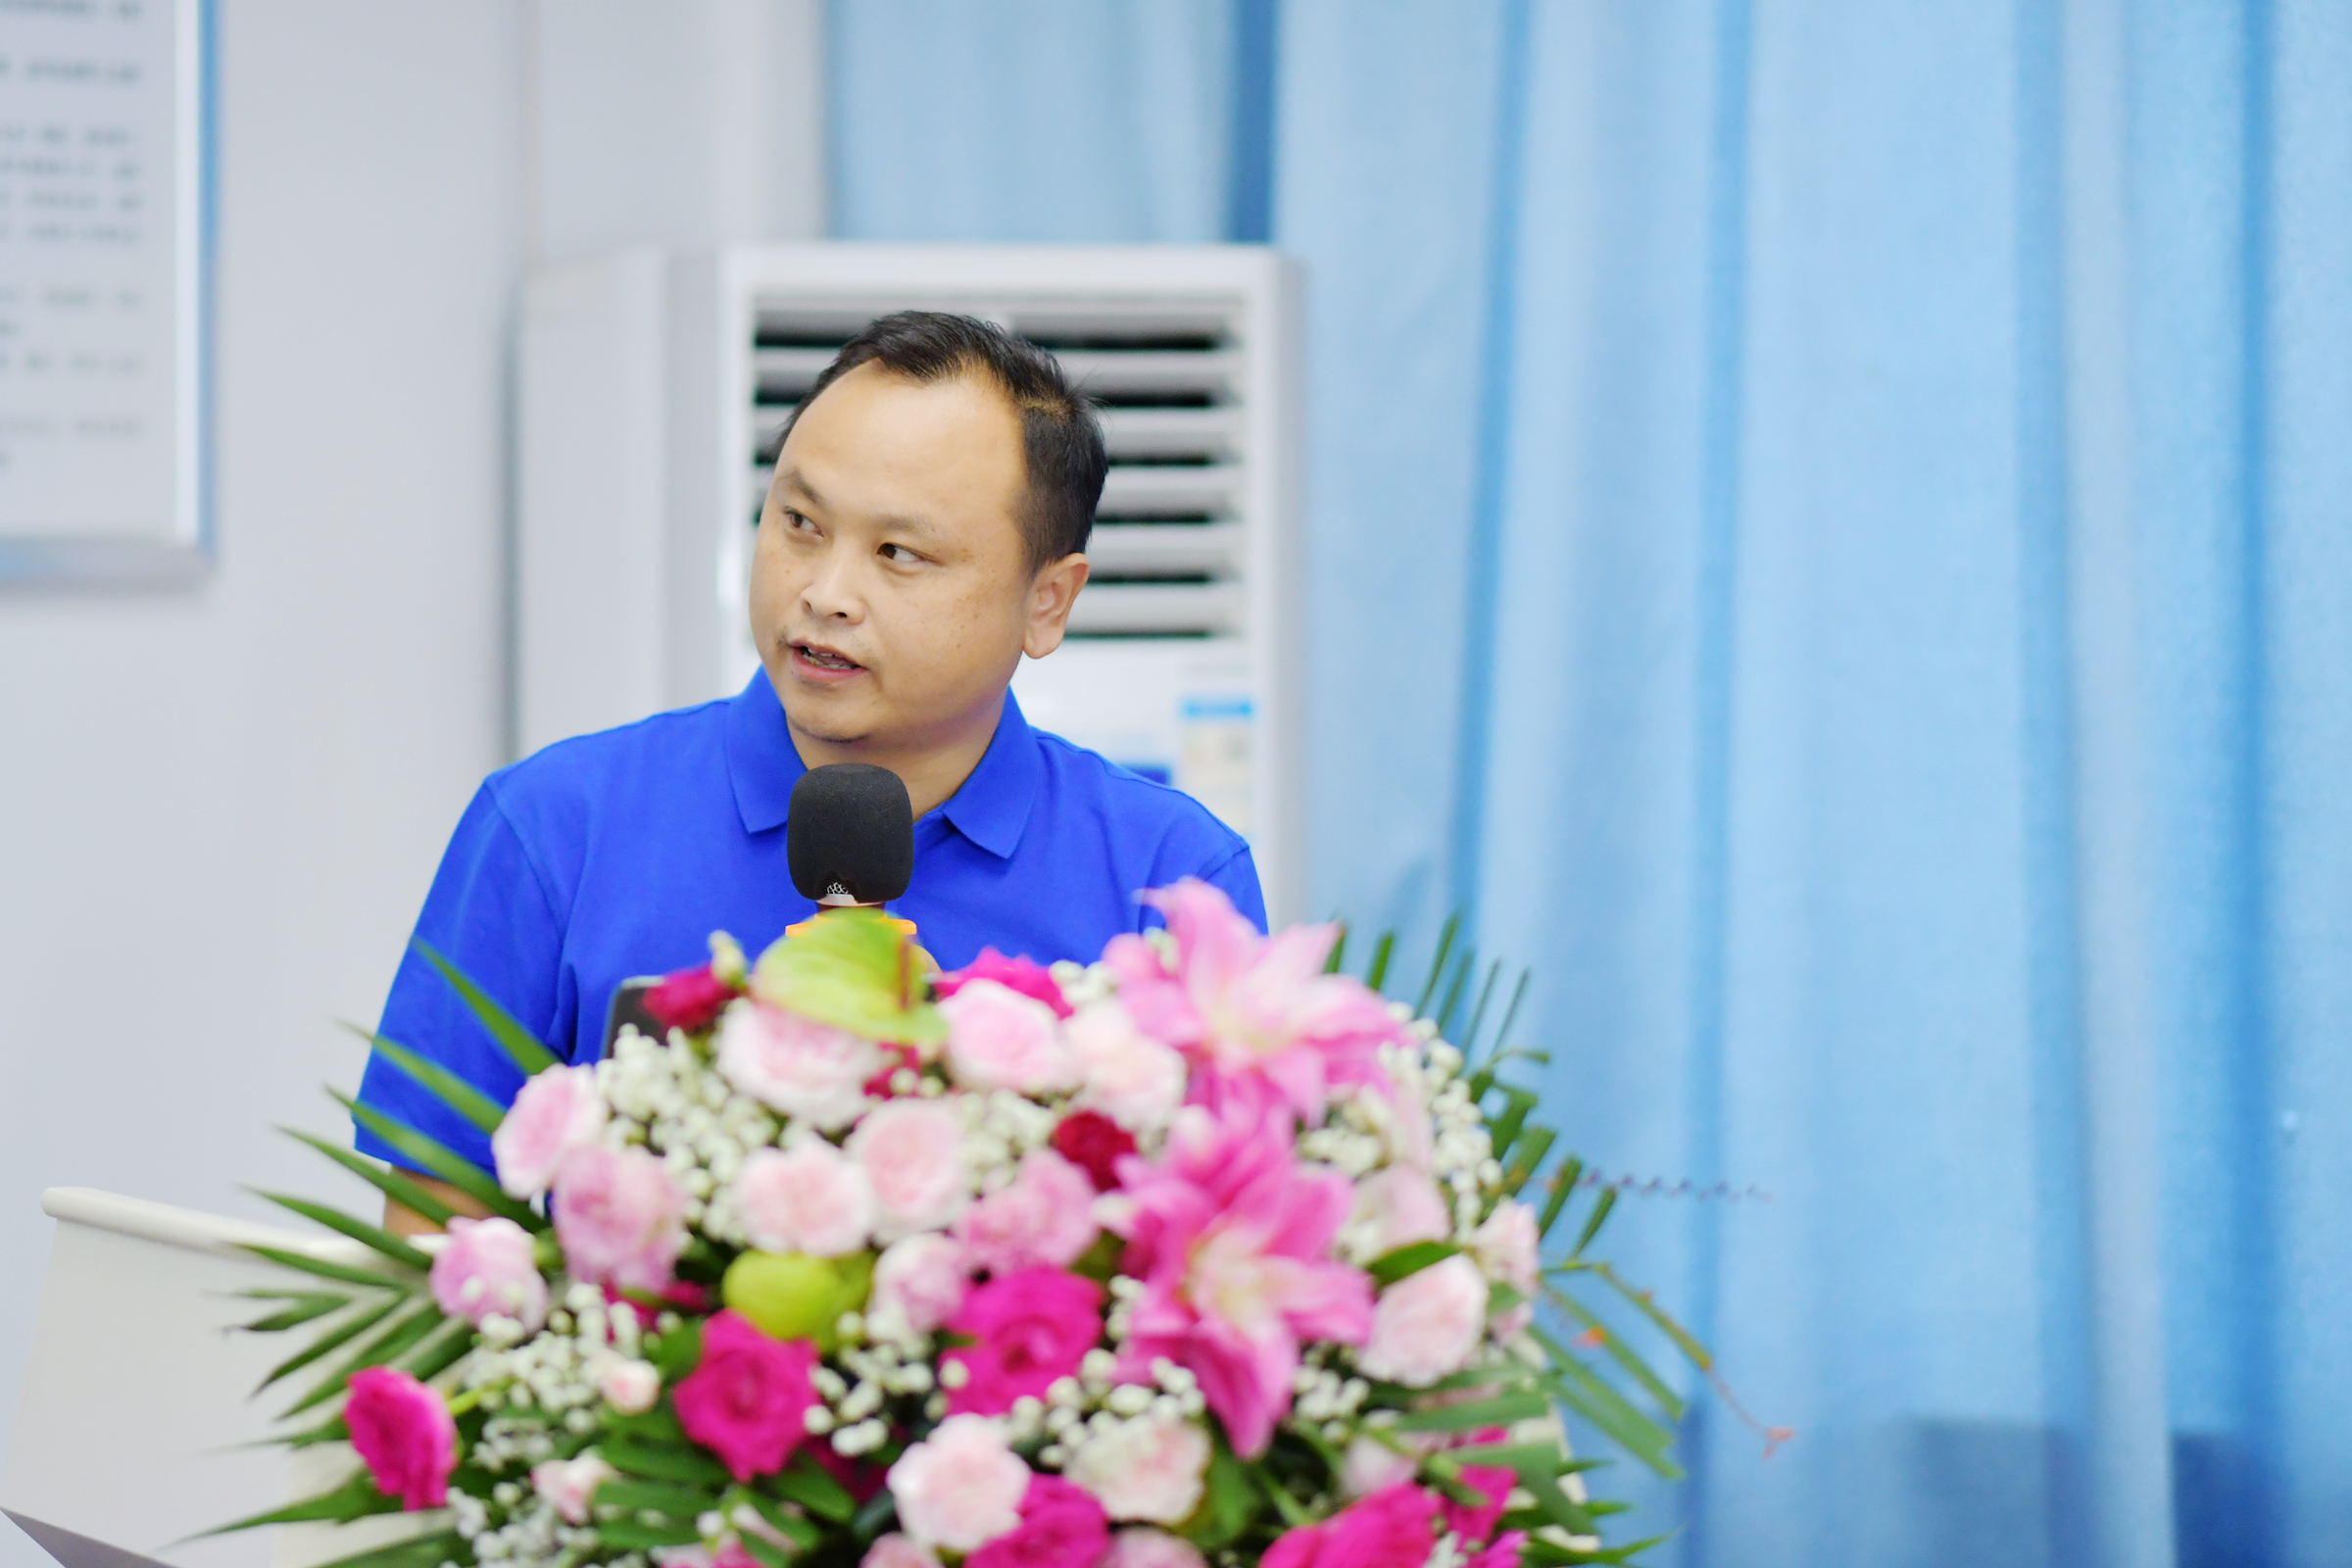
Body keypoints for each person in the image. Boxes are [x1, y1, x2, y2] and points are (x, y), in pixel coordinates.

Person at [359, 311, 1262, 1233]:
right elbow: (431, 1247)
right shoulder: (554, 828)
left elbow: (1213, 1236)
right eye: (800, 523)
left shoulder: (1170, 878)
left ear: (1048, 601)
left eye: (898, 553)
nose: (825, 594)